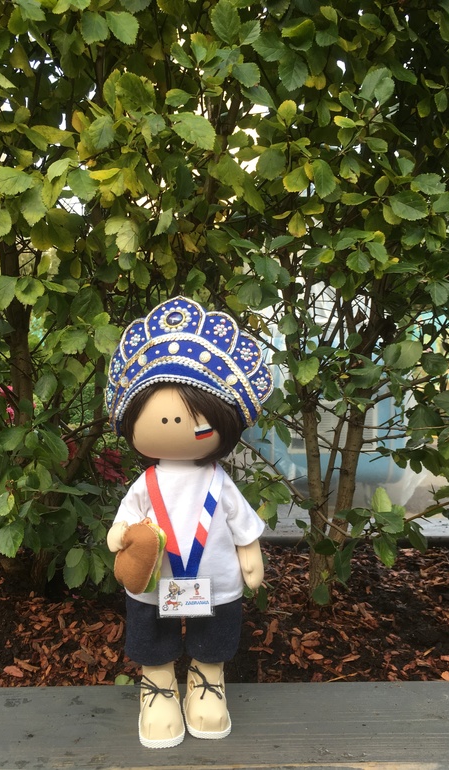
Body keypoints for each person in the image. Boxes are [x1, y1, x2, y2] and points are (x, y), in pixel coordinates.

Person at [104, 296, 273, 749]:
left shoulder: (219, 481)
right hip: (154, 576)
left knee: (215, 631)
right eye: (160, 417)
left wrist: (250, 555)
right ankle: (158, 683)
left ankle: (207, 680)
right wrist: (119, 534)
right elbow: (125, 519)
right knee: (149, 627)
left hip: (213, 579)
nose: (173, 423)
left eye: (192, 417)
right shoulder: (147, 482)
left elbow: (242, 524)